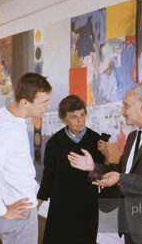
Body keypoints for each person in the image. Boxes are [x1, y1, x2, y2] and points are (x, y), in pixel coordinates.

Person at [68, 86, 142, 244]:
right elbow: (122, 170)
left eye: (126, 105)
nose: (122, 111)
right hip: (131, 224)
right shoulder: (133, 137)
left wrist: (120, 179)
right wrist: (92, 167)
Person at [0, 72, 52, 244]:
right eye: (44, 102)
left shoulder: (4, 113)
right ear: (25, 102)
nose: (48, 106)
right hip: (18, 213)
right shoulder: (12, 130)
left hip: (11, 205)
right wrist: (3, 210)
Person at [37, 95, 106, 244]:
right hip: (61, 204)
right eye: (74, 117)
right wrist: (39, 202)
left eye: (82, 115)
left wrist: (106, 154)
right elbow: (48, 176)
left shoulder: (96, 140)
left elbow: (101, 175)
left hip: (87, 203)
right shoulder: (54, 143)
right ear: (64, 119)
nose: (80, 120)